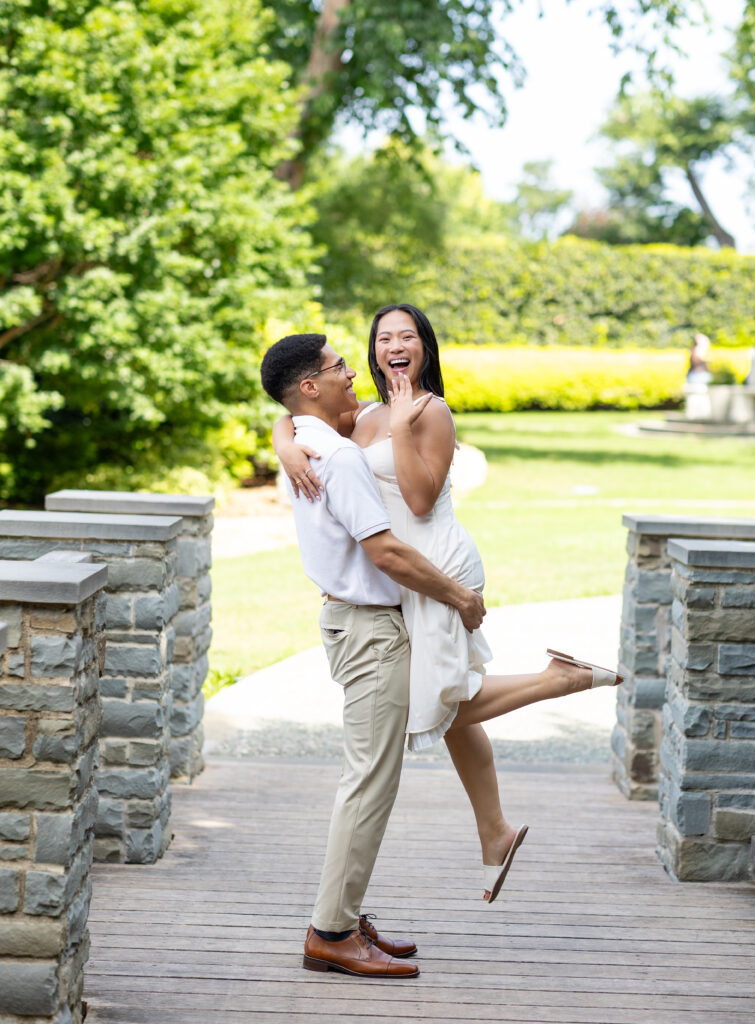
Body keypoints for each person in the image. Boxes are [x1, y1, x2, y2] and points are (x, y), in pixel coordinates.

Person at [272, 306, 622, 907]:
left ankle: (557, 681)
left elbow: (418, 497)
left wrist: (405, 429)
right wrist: (286, 446)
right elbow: (299, 416)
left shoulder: (430, 412)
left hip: (434, 563)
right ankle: (495, 833)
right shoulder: (364, 415)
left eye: (407, 336)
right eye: (383, 338)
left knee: (436, 700)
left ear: (424, 348)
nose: (393, 345)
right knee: (446, 694)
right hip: (404, 574)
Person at [260, 332, 487, 979]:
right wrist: (459, 597)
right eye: (337, 369)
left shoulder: (305, 439)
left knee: (370, 779)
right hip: (367, 630)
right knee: (367, 784)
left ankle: (343, 912)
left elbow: (286, 418)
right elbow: (384, 551)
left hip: (353, 624)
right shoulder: (335, 455)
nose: (349, 376)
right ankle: (330, 932)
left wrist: (282, 432)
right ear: (309, 387)